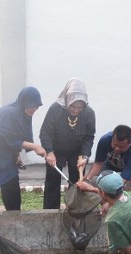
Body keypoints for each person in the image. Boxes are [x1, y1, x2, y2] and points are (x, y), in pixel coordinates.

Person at [0, 87, 47, 211]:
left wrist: (16, 155)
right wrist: (35, 147)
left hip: (4, 152)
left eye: (37, 106)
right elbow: (8, 138)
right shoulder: (8, 112)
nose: (34, 109)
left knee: (11, 181)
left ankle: (15, 216)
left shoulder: (24, 115)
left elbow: (15, 136)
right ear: (24, 102)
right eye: (32, 106)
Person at [39, 78, 96, 209]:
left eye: (80, 107)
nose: (76, 110)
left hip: (77, 153)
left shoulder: (89, 113)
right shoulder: (55, 109)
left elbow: (89, 137)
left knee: (77, 182)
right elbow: (45, 132)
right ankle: (50, 211)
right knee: (52, 181)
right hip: (56, 151)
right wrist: (49, 151)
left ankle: (75, 210)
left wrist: (85, 156)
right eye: (73, 106)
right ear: (67, 100)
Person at [84, 125, 131, 204]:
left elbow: (120, 183)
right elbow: (98, 163)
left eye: (121, 147)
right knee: (98, 180)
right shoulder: (104, 140)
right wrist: (87, 180)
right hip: (112, 162)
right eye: (115, 145)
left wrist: (92, 189)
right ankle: (107, 205)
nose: (117, 148)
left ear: (129, 144)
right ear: (112, 138)